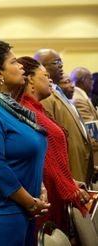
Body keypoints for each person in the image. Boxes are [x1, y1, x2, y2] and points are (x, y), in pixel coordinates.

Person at [0, 40, 50, 245]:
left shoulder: (7, 106)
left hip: (22, 205)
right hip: (1, 209)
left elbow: (26, 154)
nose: (21, 66)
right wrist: (30, 203)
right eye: (14, 62)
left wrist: (38, 186)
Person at [16, 56, 89, 234]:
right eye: (45, 75)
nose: (50, 80)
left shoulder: (36, 109)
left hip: (56, 194)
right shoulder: (27, 112)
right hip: (47, 199)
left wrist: (69, 181)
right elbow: (46, 164)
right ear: (30, 79)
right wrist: (69, 188)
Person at [35, 49, 94, 185]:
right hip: (69, 170)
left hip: (79, 165)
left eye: (60, 61)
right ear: (41, 66)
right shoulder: (44, 96)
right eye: (56, 62)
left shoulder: (56, 90)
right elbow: (51, 139)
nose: (61, 65)